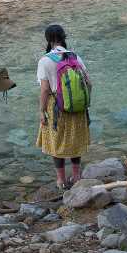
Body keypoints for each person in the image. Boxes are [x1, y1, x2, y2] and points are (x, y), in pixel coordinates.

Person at [36, 24, 92, 190]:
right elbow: (89, 83)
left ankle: (61, 180)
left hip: (56, 107)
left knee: (57, 142)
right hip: (78, 107)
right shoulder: (75, 56)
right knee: (75, 140)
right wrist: (84, 103)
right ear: (64, 37)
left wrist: (42, 111)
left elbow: (45, 89)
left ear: (48, 40)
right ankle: (76, 176)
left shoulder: (45, 60)